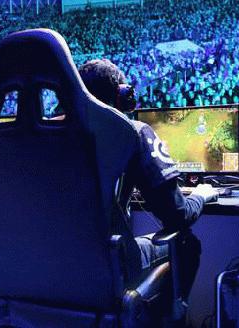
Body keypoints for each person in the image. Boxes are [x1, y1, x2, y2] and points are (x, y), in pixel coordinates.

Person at [77, 59, 218, 308]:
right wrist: (201, 195)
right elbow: (177, 215)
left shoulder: (45, 138)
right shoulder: (132, 133)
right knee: (186, 243)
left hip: (51, 269)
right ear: (123, 97)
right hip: (108, 264)